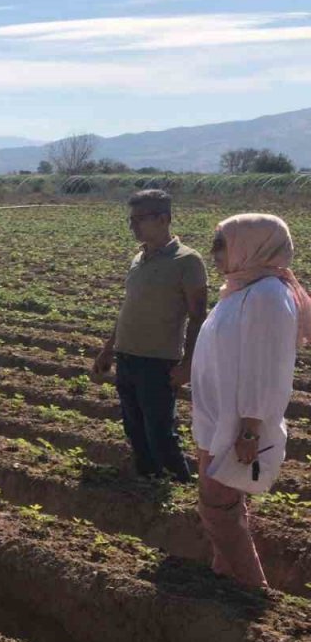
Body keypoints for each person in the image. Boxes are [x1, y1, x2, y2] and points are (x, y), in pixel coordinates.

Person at [190, 213, 310, 588]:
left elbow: (267, 367)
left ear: (252, 246)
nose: (215, 254)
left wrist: (250, 429)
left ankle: (249, 585)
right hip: (216, 415)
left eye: (221, 245)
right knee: (222, 500)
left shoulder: (268, 296)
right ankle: (223, 570)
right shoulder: (241, 288)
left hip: (239, 421)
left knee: (218, 504)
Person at [92, 190, 207, 482]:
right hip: (127, 356)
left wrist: (188, 364)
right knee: (133, 426)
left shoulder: (188, 261)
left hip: (158, 362)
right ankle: (148, 480)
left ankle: (180, 484)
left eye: (140, 219)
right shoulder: (138, 258)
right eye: (131, 220)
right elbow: (128, 308)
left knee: (159, 430)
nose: (133, 226)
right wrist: (108, 349)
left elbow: (197, 317)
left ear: (164, 219)